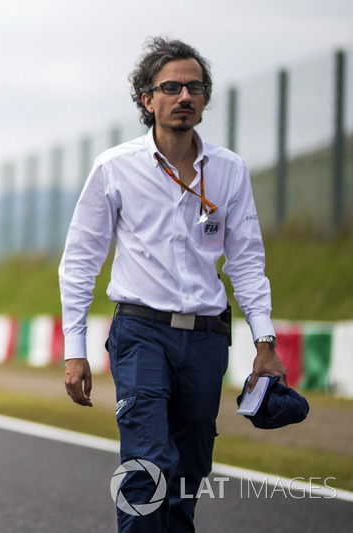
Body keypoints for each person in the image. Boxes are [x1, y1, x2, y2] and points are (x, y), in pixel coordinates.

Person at [59, 37, 287, 532]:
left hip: (206, 337)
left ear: (205, 98)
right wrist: (74, 350)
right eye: (171, 87)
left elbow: (247, 261)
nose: (185, 96)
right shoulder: (114, 167)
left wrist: (264, 343)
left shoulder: (230, 171)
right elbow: (79, 263)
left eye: (195, 87)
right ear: (147, 99)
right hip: (141, 333)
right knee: (148, 460)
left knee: (188, 471)